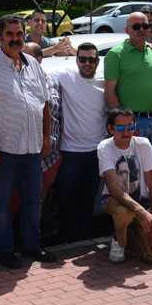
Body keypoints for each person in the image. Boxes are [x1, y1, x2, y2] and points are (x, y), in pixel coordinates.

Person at [0, 14, 54, 267]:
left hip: (32, 149)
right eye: (10, 34)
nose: (15, 39)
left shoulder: (32, 63)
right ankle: (5, 251)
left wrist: (46, 137)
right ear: (0, 37)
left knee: (33, 202)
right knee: (1, 203)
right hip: (4, 150)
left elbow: (44, 104)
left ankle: (31, 246)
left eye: (19, 34)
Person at [104, 10, 152, 184]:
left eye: (146, 25)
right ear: (127, 30)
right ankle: (137, 212)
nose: (142, 29)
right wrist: (124, 124)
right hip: (133, 125)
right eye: (136, 26)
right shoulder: (115, 54)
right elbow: (110, 92)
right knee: (134, 177)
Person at [99, 107, 152, 264]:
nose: (126, 132)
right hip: (114, 201)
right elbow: (113, 189)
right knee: (124, 213)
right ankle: (119, 239)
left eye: (130, 127)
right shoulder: (104, 147)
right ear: (110, 129)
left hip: (141, 206)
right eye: (120, 128)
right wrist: (140, 211)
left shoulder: (143, 144)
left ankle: (128, 233)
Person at [53, 41, 107, 242]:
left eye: (91, 59)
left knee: (88, 198)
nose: (87, 63)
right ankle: (67, 241)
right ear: (77, 60)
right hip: (70, 152)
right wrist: (54, 49)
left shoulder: (105, 80)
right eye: (83, 59)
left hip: (97, 152)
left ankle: (84, 240)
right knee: (67, 199)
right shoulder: (66, 75)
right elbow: (32, 64)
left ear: (97, 61)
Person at [22, 42, 63, 238]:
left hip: (50, 157)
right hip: (22, 156)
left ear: (38, 60)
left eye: (25, 56)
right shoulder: (14, 81)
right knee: (20, 205)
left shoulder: (54, 82)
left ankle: (36, 242)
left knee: (41, 204)